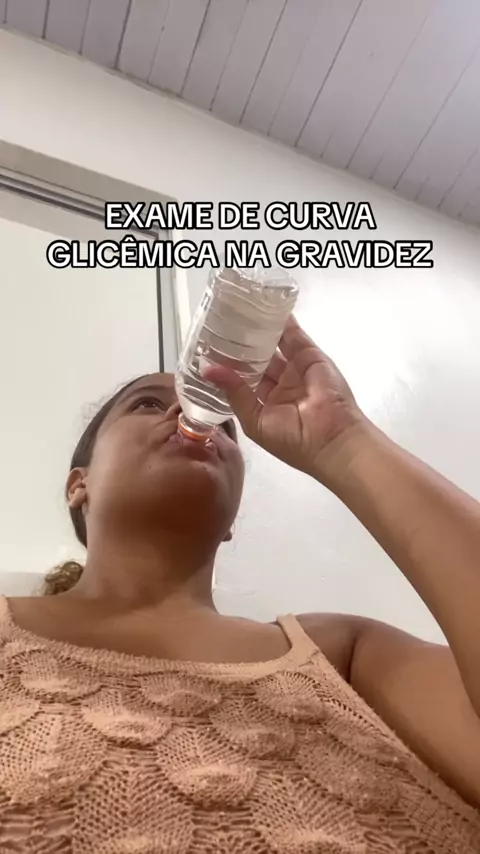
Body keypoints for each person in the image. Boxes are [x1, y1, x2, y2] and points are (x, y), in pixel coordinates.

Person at [0, 316, 479, 854]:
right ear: (78, 485)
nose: (190, 412)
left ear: (231, 521)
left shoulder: (343, 655)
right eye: (149, 404)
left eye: (225, 426)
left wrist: (343, 439)